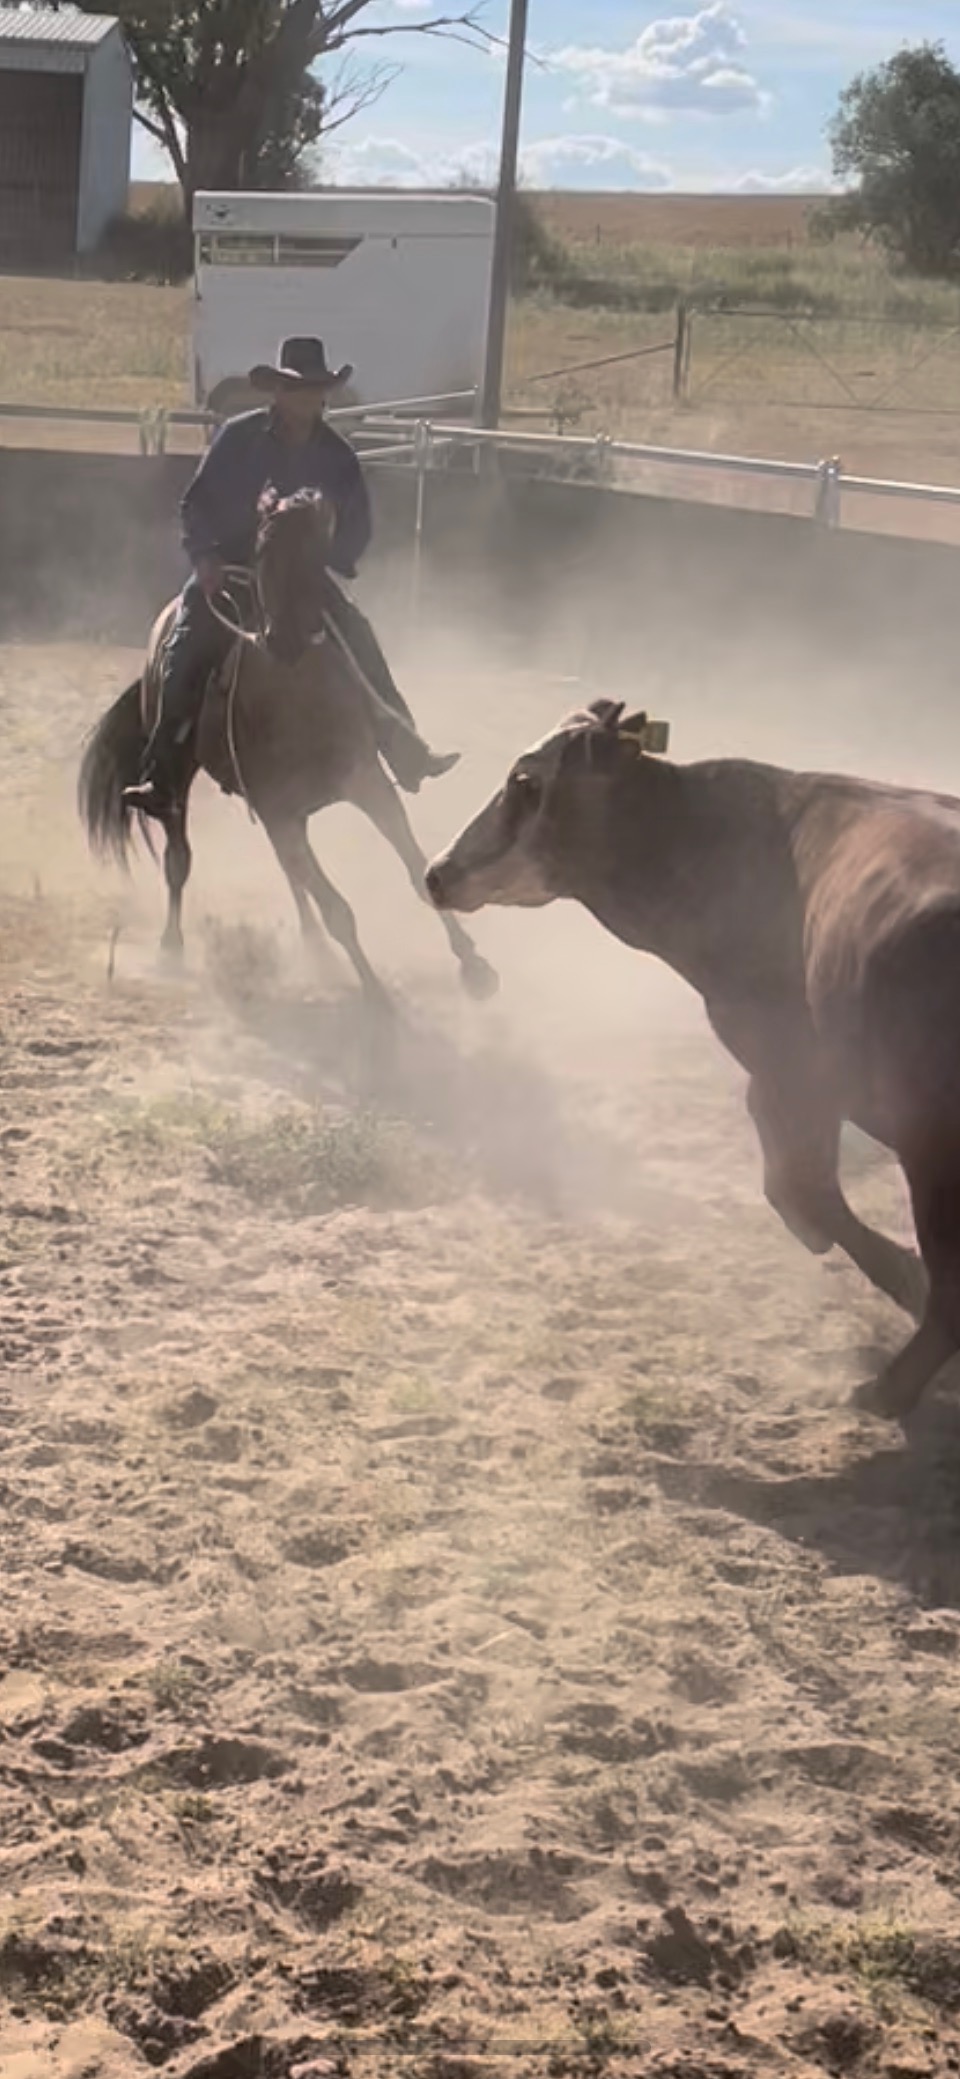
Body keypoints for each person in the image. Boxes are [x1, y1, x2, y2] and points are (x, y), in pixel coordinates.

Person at [123, 336, 458, 817]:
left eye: (316, 390)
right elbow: (196, 503)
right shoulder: (238, 438)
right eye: (299, 389)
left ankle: (406, 750)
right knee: (186, 647)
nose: (308, 399)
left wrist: (330, 553)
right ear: (278, 392)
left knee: (360, 639)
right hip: (231, 570)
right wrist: (204, 557)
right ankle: (162, 773)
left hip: (301, 578)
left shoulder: (337, 456)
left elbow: (358, 526)